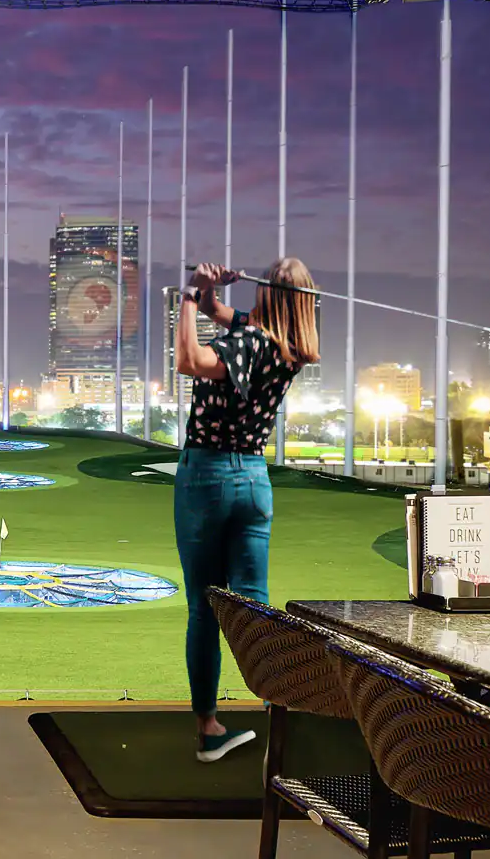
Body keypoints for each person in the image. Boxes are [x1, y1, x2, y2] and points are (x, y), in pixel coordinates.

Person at [173, 257, 320, 762]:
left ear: (270, 296)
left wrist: (190, 297)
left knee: (204, 607)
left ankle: (210, 729)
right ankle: (279, 714)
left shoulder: (251, 344)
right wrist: (214, 296)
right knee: (254, 605)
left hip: (208, 477)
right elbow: (232, 320)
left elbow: (190, 361)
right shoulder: (289, 347)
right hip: (254, 482)